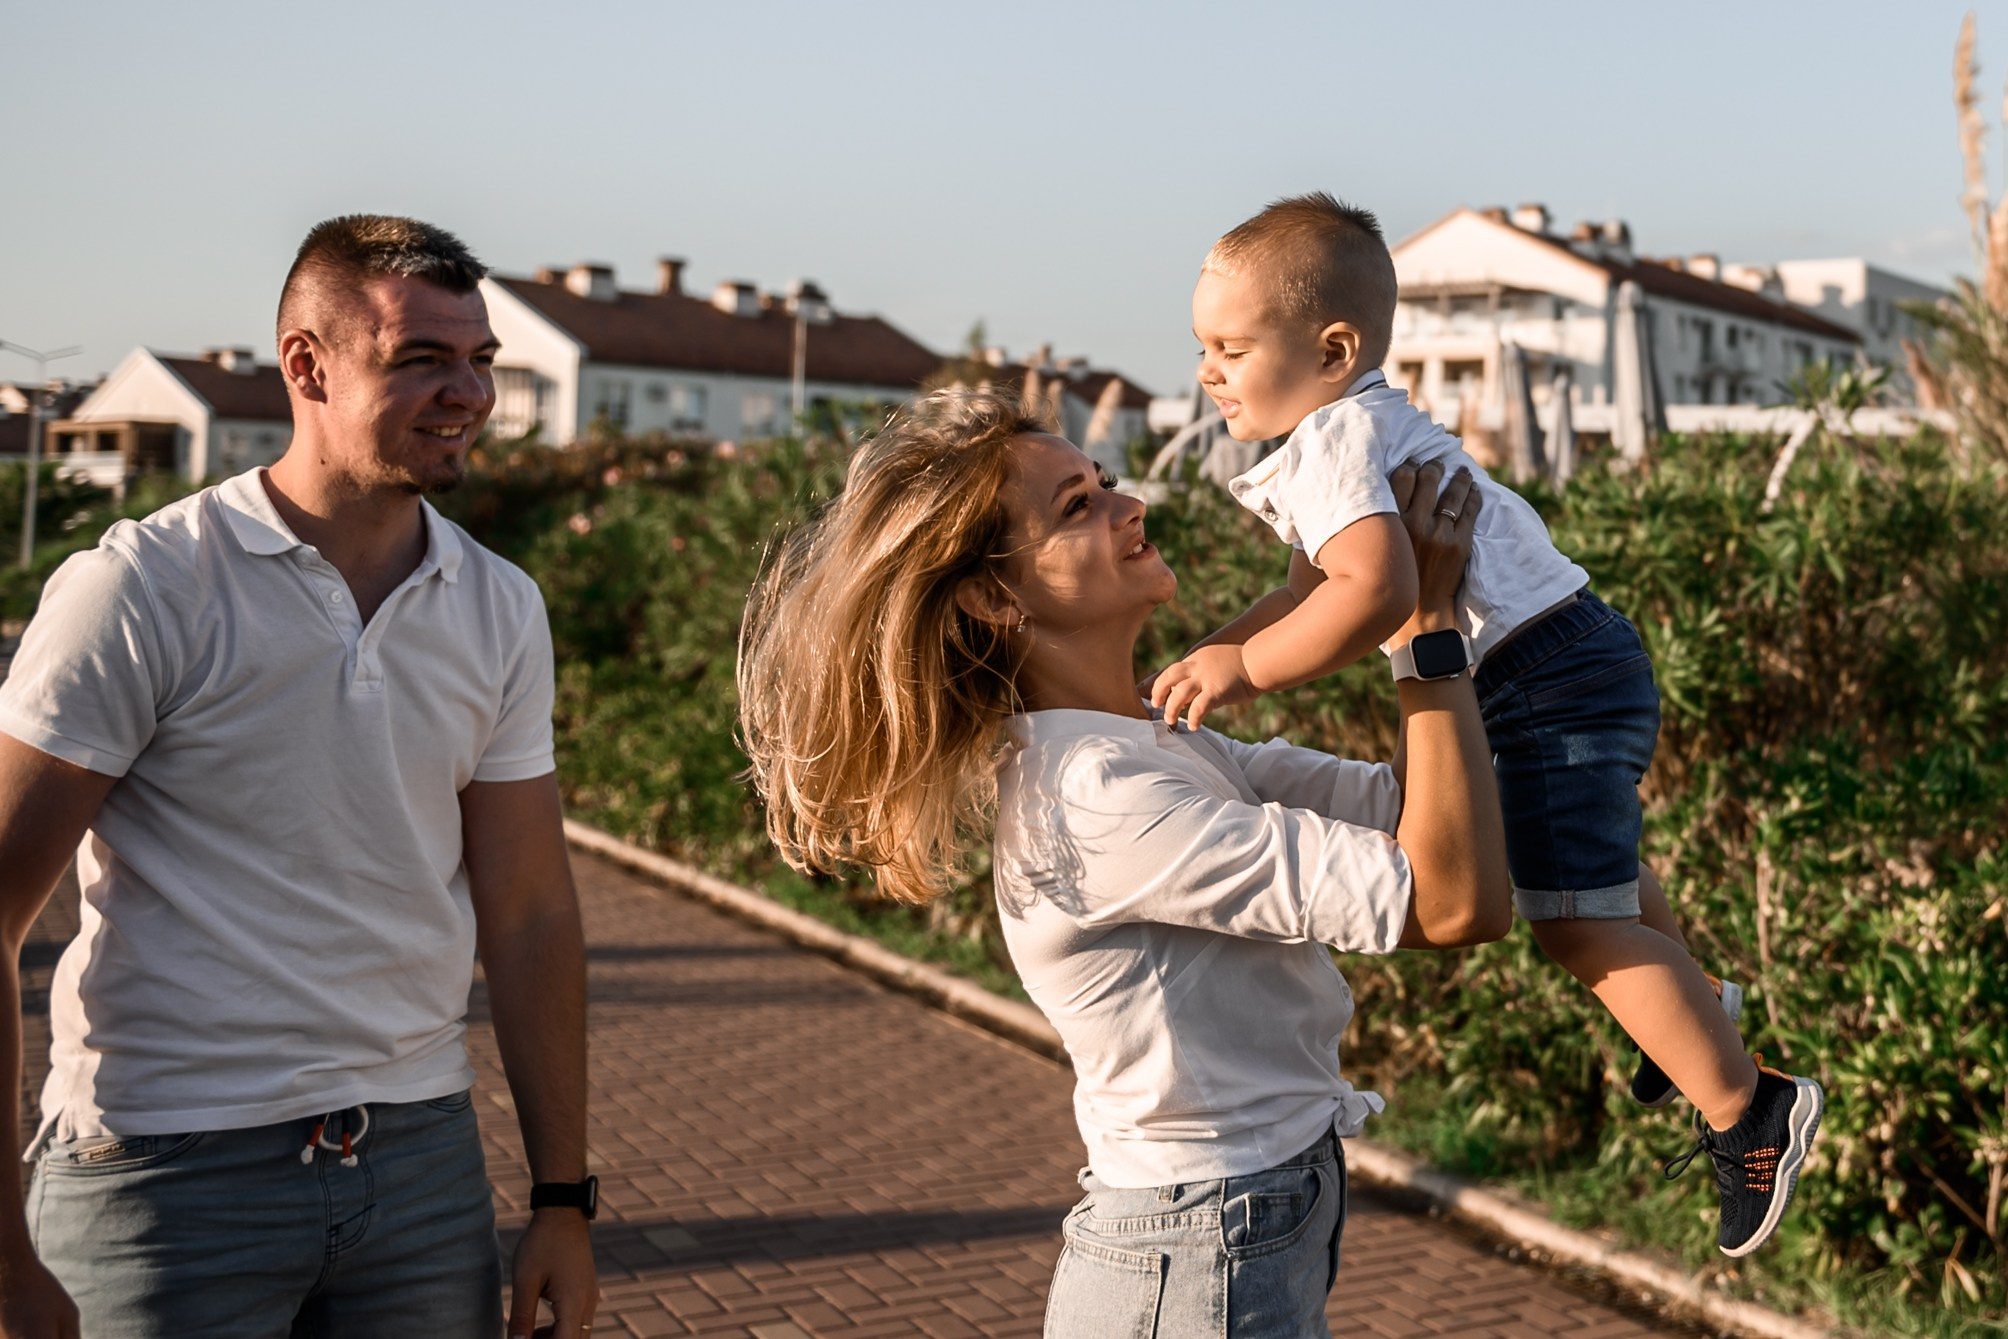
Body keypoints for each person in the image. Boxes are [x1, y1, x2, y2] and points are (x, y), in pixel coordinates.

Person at [738, 388, 1512, 1336]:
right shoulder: (1095, 793)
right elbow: (1450, 901)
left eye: (1102, 481)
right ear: (994, 595)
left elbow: (1432, 820)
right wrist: (1419, 627)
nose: (1128, 502)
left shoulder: (1158, 738)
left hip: (1236, 1222)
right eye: (1077, 506)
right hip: (1197, 1252)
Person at [1151, 191, 1823, 1258]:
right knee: (1590, 868)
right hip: (1568, 650)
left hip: (1536, 673)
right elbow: (1302, 590)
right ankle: (1698, 1004)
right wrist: (1215, 649)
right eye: (1203, 348)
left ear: (1330, 349)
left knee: (1563, 916)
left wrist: (1242, 673)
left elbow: (1368, 592)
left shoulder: (1332, 442)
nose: (1208, 372)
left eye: (1231, 348)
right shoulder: (1356, 424)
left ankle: (1748, 1106)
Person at [0, 215, 598, 1337]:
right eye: (421, 358)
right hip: (165, 1176)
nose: (467, 392)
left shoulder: (498, 604)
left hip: (419, 1164)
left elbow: (526, 914)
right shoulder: (146, 588)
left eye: (481, 361)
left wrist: (563, 1198)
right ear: (307, 366)